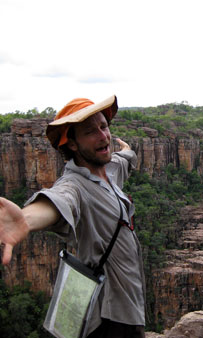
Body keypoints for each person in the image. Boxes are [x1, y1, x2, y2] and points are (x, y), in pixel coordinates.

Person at [0, 95, 146, 338]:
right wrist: (25, 220)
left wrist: (128, 151)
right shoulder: (75, 186)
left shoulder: (109, 170)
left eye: (104, 126)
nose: (103, 136)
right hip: (110, 317)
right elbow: (59, 201)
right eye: (91, 132)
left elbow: (124, 160)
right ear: (73, 144)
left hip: (130, 304)